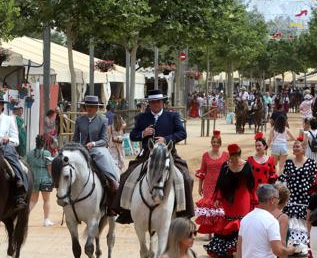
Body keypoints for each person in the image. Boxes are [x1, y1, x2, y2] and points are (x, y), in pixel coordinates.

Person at [113, 89, 192, 224]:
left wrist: (166, 140)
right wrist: (143, 134)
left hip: (168, 153)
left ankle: (184, 212)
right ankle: (125, 210)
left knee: (185, 177)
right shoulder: (142, 117)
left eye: (158, 102)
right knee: (126, 176)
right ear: (149, 103)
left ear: (163, 103)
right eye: (152, 102)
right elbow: (133, 135)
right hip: (147, 155)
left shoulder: (172, 116)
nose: (155, 104)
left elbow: (182, 133)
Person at [204, 143, 255, 258]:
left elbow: (252, 185)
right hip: (228, 200)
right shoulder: (225, 166)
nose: (234, 159)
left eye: (236, 157)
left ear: (239, 154)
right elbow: (220, 184)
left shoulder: (247, 165)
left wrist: (254, 200)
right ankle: (227, 250)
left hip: (243, 199)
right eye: (232, 157)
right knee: (227, 221)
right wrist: (218, 198)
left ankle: (240, 250)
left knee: (241, 222)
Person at [73, 95, 120, 215]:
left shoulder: (103, 120)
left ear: (97, 108)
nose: (90, 108)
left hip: (98, 149)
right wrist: (74, 147)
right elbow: (74, 139)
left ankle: (112, 181)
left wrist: (93, 143)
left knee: (104, 158)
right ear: (84, 107)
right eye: (87, 106)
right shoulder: (79, 120)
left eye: (93, 106)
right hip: (81, 149)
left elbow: (104, 140)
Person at [278, 138, 317, 256]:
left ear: (304, 149)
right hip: (292, 198)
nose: (295, 148)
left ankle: (302, 247)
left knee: (303, 222)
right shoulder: (289, 163)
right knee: (292, 221)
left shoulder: (311, 163)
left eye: (297, 146)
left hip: (305, 198)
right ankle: (291, 247)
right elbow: (283, 178)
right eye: (294, 146)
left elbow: (314, 181)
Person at [195, 130, 228, 235]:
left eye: (217, 142)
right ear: (211, 143)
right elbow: (202, 172)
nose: (215, 144)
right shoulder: (205, 155)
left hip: (222, 184)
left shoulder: (226, 155)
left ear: (220, 143)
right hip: (208, 184)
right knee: (209, 206)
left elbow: (229, 170)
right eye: (213, 142)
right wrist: (200, 186)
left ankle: (218, 229)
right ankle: (209, 231)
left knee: (219, 206)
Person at [26, 135, 53, 227]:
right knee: (47, 200)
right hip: (45, 179)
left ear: (36, 143)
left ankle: (24, 217)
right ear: (44, 143)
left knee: (33, 201)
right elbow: (49, 168)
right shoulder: (47, 154)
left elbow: (27, 167)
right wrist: (52, 178)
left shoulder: (29, 154)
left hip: (34, 179)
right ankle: (46, 220)